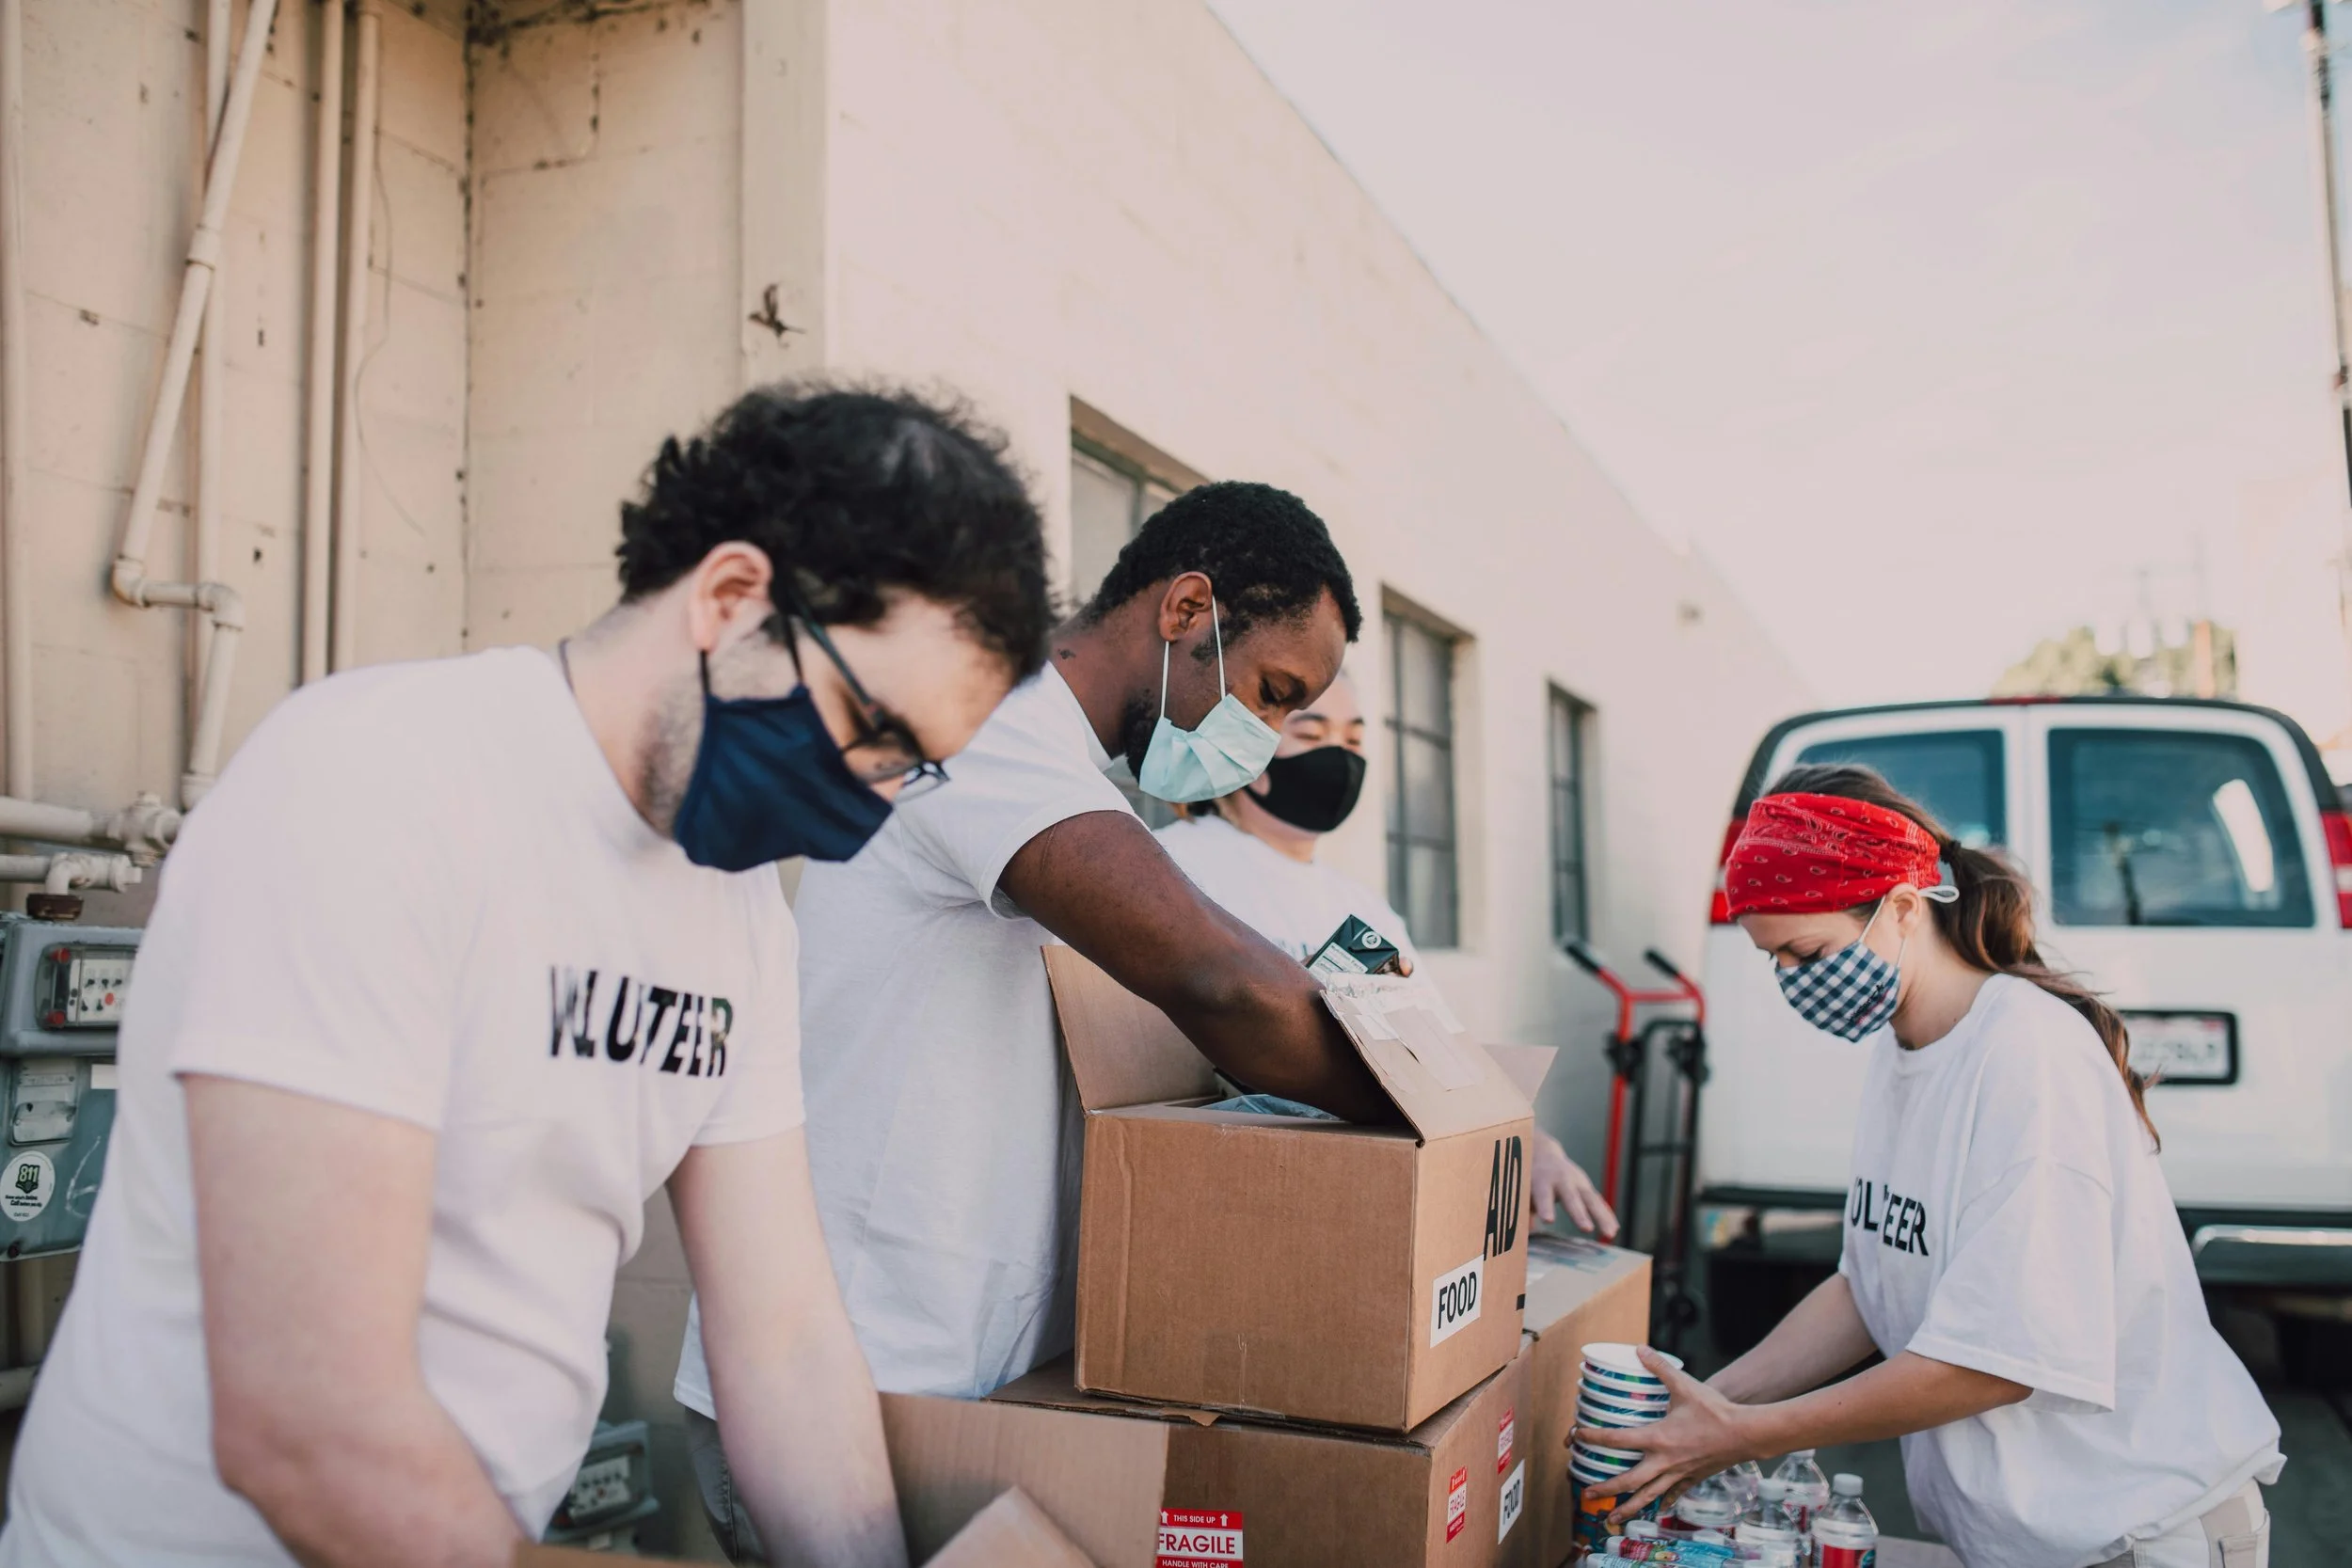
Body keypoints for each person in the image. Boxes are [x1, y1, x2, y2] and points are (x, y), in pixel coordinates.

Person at [0, 386, 1055, 1568]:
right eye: (873, 725)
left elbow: (786, 1338)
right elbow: (307, 1426)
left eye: (911, 770)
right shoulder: (373, 786)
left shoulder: (739, 907)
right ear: (729, 599)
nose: (867, 800)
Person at [675, 480, 1393, 1558]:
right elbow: (1220, 983)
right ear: (1186, 611)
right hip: (840, 1383)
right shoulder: (987, 730)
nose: (1270, 737)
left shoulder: (1068, 773)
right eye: (1271, 691)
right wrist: (1428, 1108)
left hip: (943, 1374)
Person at [1585, 767, 2281, 1568]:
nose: (1792, 983)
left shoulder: (2027, 1055)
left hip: (2134, 1534)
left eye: (1805, 952)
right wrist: (1708, 1403)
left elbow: (1991, 1364)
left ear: (1905, 907)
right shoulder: (1905, 1047)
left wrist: (1745, 1434)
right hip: (2025, 1543)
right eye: (1772, 960)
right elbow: (1868, 1282)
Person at [1152, 667, 1618, 1239]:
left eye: (1353, 741)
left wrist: (1532, 1139)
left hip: (1356, 1197)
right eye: (1312, 735)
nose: (1340, 759)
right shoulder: (1177, 867)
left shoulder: (1365, 907)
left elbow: (1445, 1051)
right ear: (1252, 743)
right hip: (1224, 1191)